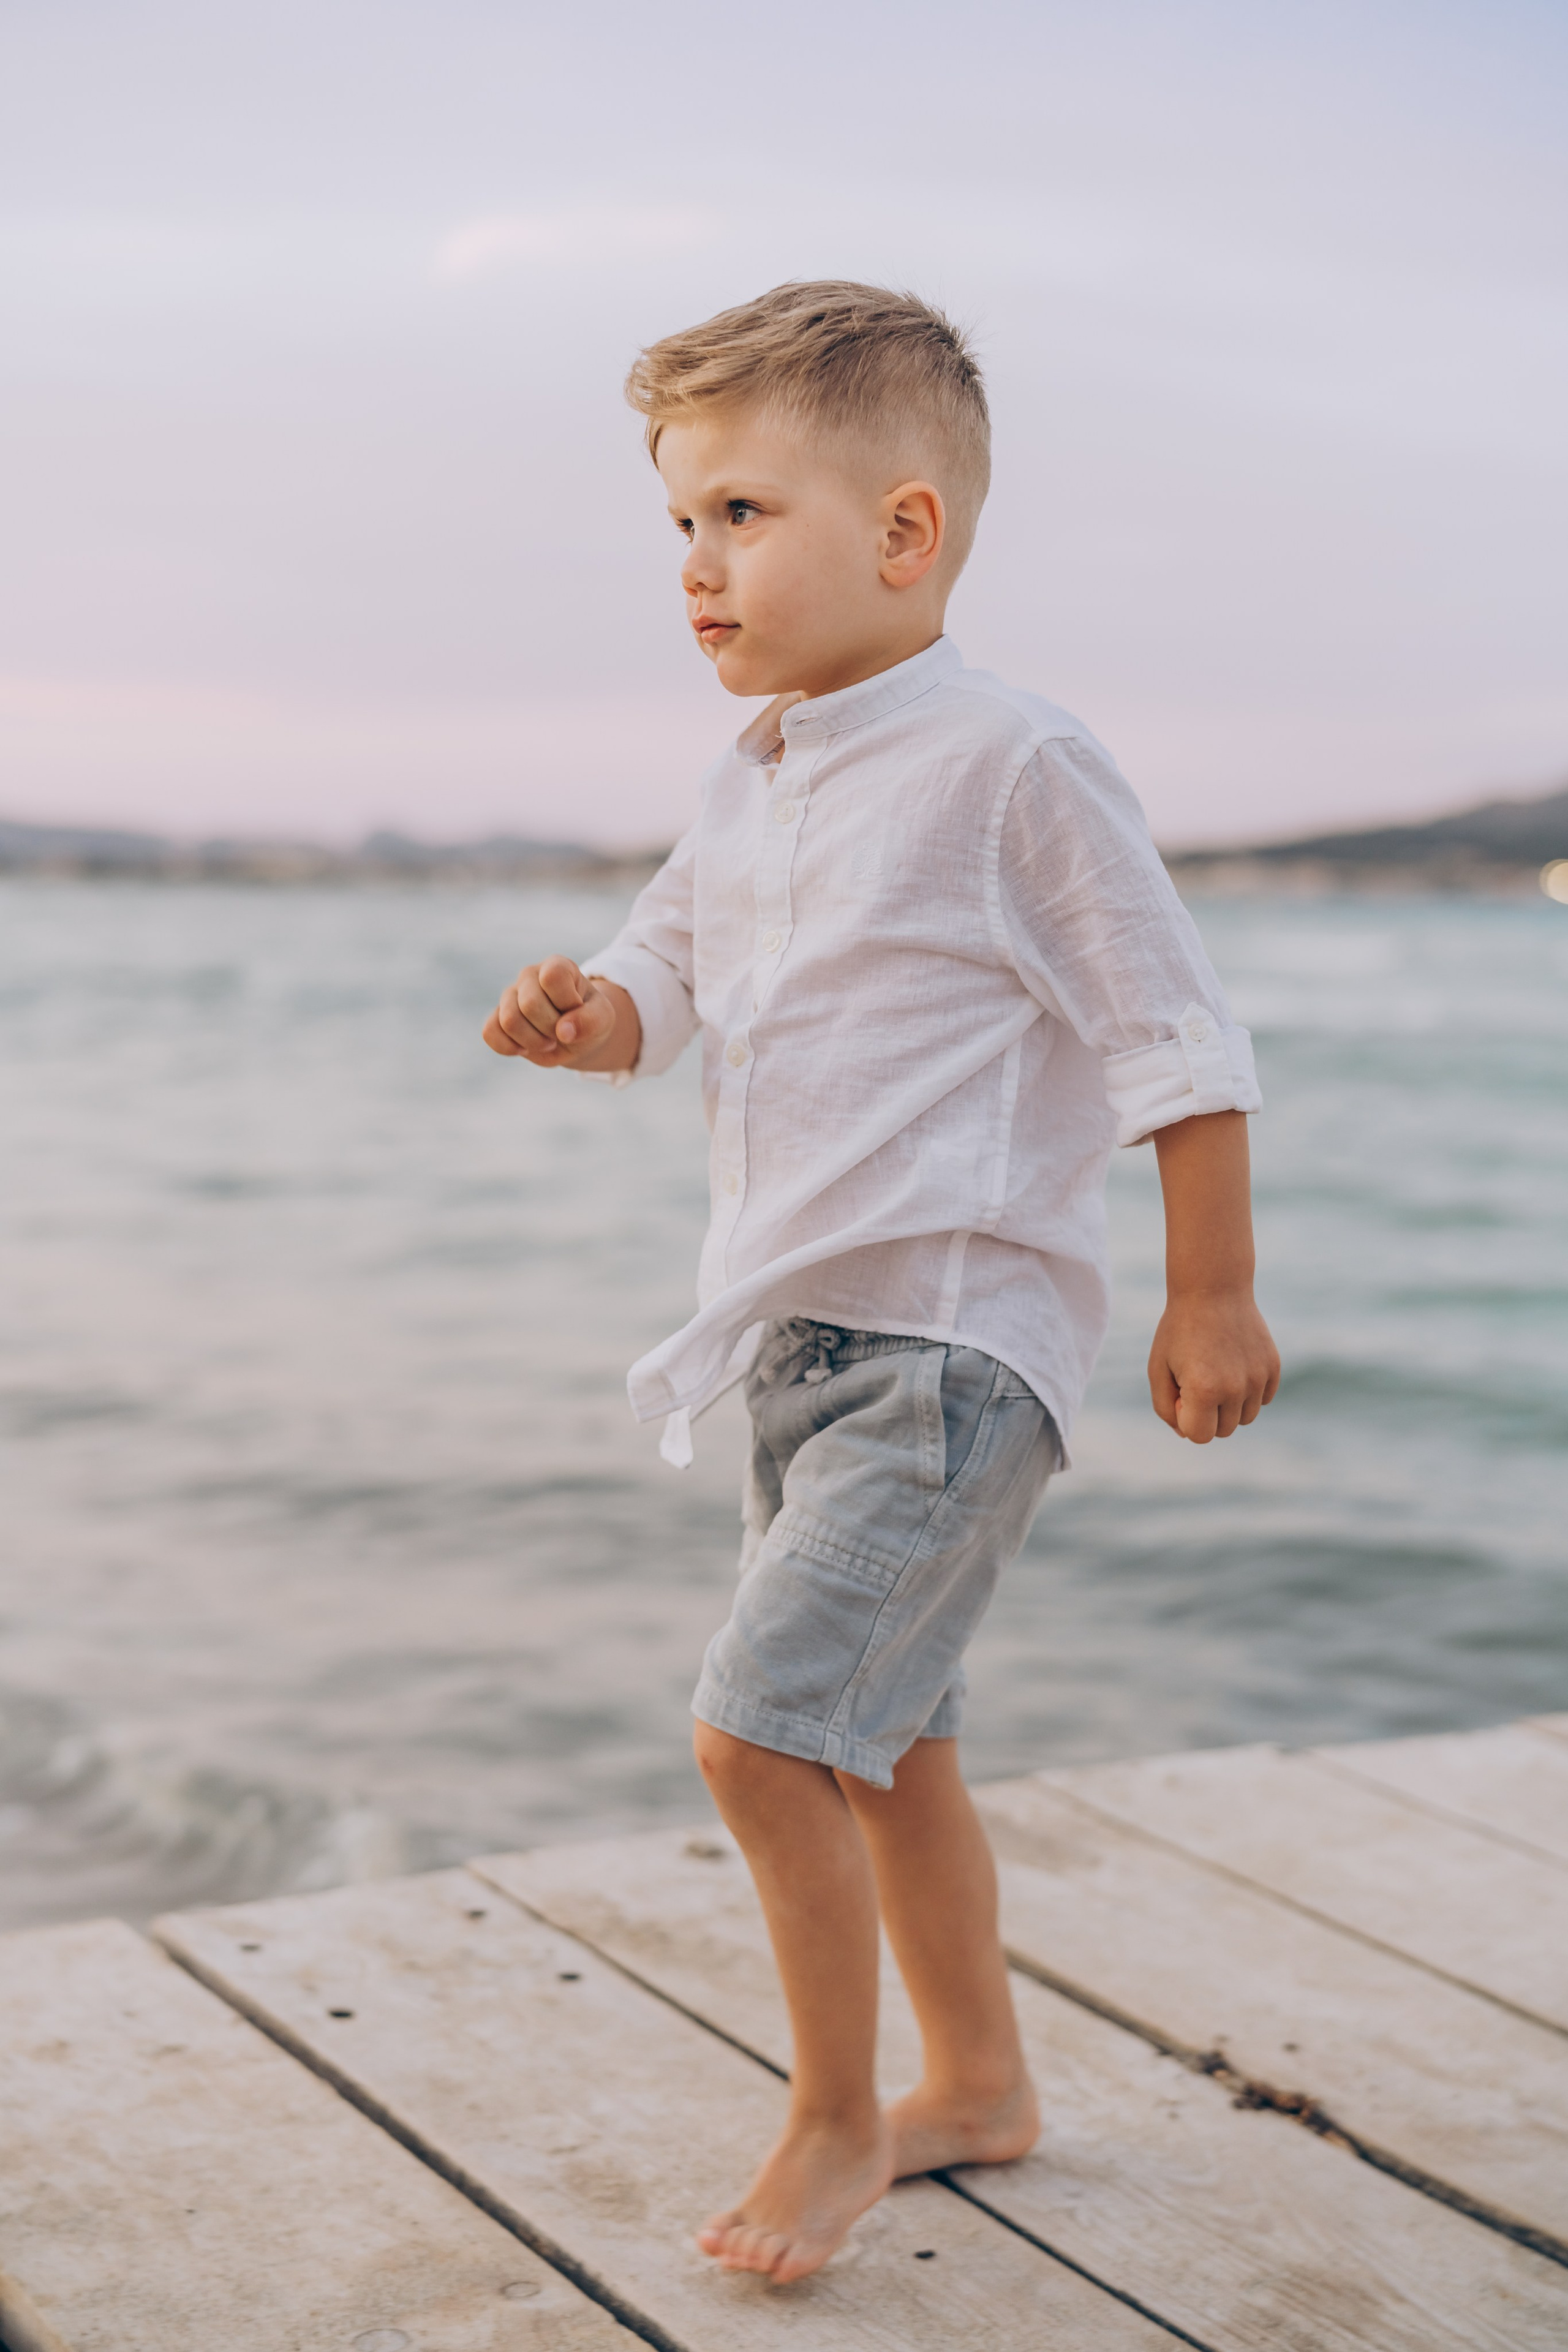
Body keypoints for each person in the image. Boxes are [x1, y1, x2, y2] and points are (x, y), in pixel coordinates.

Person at [483, 281, 1281, 2285]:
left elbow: (1173, 1034)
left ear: (904, 533)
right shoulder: (749, 773)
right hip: (792, 1343)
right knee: (888, 1739)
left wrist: (1210, 1297)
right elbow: (670, 986)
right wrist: (589, 1016)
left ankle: (841, 2116)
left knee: (761, 1738)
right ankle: (982, 2085)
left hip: (952, 1339)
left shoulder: (1013, 761)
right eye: (679, 523)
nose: (695, 565)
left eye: (741, 515)